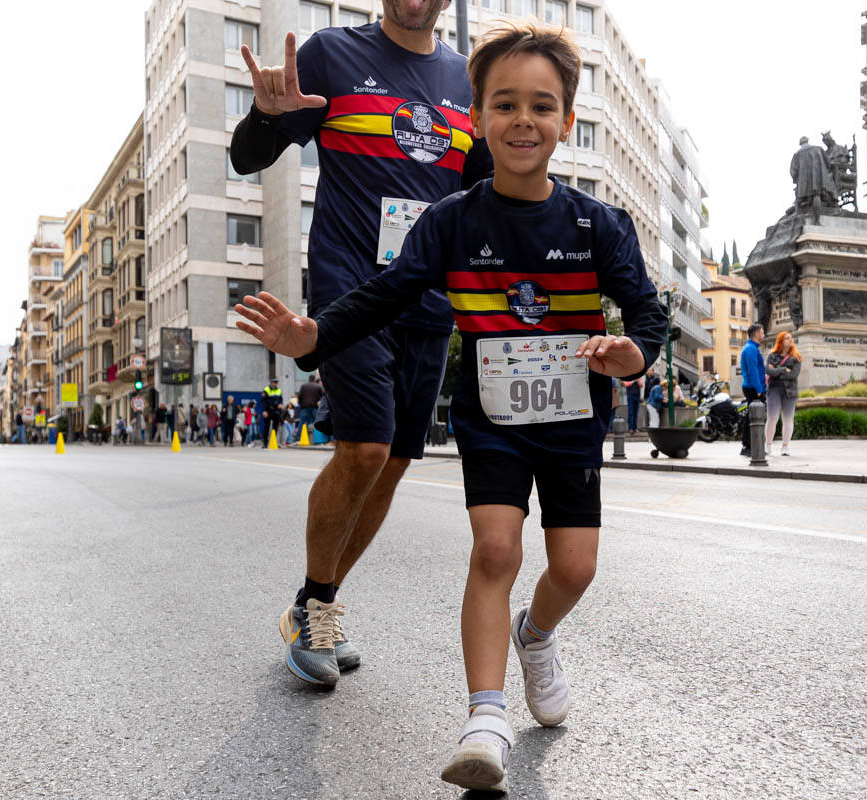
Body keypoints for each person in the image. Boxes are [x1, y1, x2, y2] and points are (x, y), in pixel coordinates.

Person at [234, 21, 667, 793]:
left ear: (566, 119)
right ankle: (457, 698)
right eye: (505, 106)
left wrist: (630, 353)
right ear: (484, 111)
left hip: (520, 375)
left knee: (441, 486)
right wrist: (311, 334)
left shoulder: (589, 217)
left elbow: (636, 306)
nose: (522, 120)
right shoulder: (345, 70)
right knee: (434, 503)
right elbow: (265, 173)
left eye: (542, 107)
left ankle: (530, 637)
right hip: (421, 350)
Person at [230, 0, 493, 688]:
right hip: (349, 291)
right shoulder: (330, 56)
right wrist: (264, 116)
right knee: (365, 447)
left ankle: (316, 601)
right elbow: (247, 157)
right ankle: (316, 609)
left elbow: (486, 195)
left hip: (428, 299)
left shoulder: (472, 80)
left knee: (395, 461)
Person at [764, 330, 802, 456]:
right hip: (774, 389)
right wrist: (783, 369)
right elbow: (769, 372)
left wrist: (777, 371)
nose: (790, 340)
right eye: (787, 338)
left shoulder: (796, 357)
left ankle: (785, 447)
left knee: (788, 419)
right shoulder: (772, 355)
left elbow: (793, 374)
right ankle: (768, 445)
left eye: (791, 338)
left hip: (790, 391)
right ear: (781, 341)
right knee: (772, 418)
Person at [739, 323, 766, 456]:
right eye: (762, 332)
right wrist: (759, 389)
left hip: (753, 387)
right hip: (753, 388)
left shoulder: (752, 348)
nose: (764, 334)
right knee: (754, 417)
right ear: (756, 334)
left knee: (752, 417)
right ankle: (748, 447)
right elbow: (753, 370)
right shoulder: (750, 349)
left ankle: (749, 446)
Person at [296, 374, 322, 442]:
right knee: (316, 423)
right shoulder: (318, 386)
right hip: (315, 407)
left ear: (308, 379)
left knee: (302, 422)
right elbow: (322, 396)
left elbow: (299, 397)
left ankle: (299, 439)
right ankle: (316, 439)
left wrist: (301, 405)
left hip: (305, 407)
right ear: (314, 379)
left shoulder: (303, 386)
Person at [261, 378, 283, 447]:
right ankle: (265, 443)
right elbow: (263, 401)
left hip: (276, 411)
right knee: (266, 427)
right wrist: (264, 411)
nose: (275, 384)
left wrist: (280, 404)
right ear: (271, 382)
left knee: (275, 427)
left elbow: (280, 400)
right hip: (268, 410)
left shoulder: (279, 390)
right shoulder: (266, 389)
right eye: (274, 382)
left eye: (276, 382)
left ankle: (273, 442)